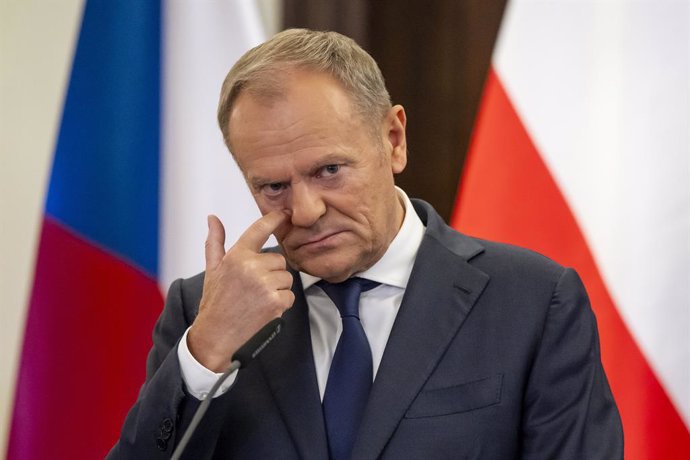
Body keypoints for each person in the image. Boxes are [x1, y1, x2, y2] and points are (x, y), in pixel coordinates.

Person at [109, 28, 623, 459]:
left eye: (330, 170)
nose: (306, 211)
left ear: (393, 140)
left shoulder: (533, 301)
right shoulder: (204, 313)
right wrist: (207, 352)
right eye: (273, 187)